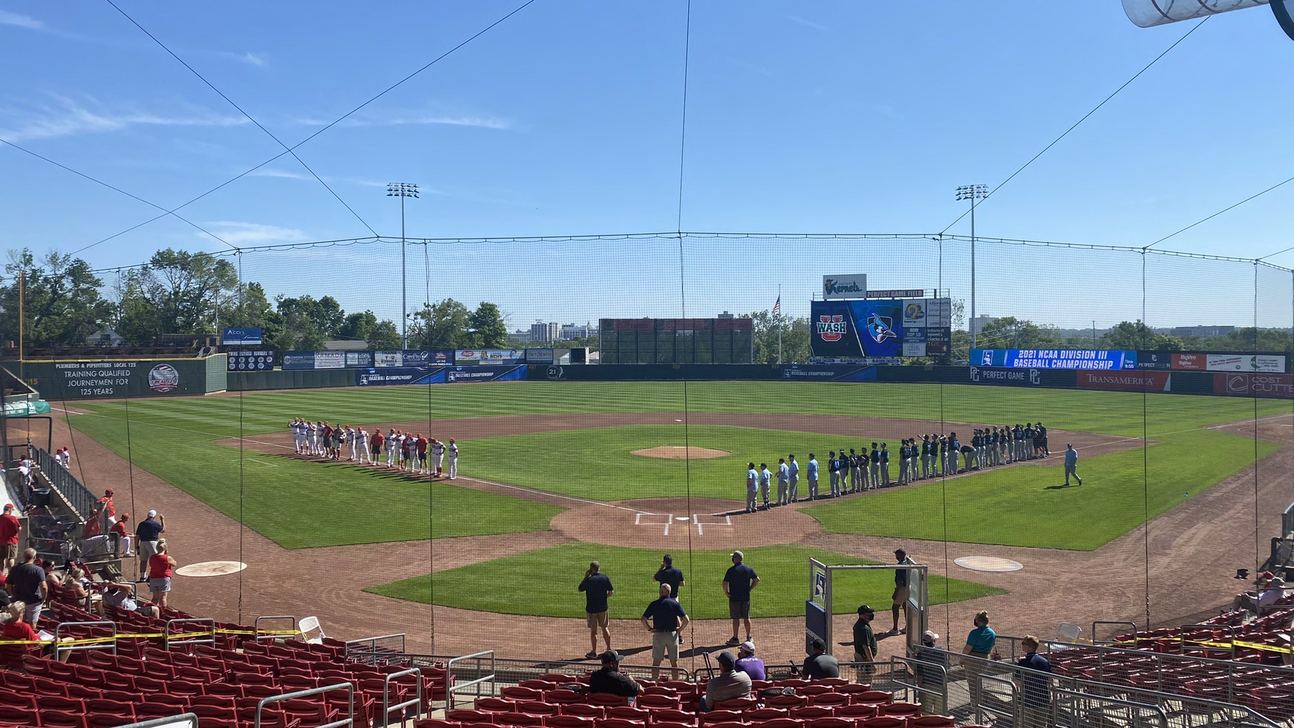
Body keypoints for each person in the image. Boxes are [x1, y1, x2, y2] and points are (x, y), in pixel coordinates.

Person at [641, 582, 689, 677]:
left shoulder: (654, 604)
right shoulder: (675, 603)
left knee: (656, 663)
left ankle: (654, 683)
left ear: (661, 592)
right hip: (672, 635)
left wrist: (650, 629)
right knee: (674, 664)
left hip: (659, 635)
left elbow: (643, 619)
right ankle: (676, 684)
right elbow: (686, 619)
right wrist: (679, 630)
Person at [1014, 635, 1052, 728]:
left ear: (1029, 647)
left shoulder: (1023, 662)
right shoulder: (1044, 661)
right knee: (1042, 725)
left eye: (1023, 643)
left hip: (1028, 699)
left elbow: (1017, 683)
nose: (1022, 645)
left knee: (1026, 725)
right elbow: (1050, 679)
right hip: (1043, 698)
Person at [722, 550, 759, 646]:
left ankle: (735, 638)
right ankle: (748, 637)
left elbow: (725, 583)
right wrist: (750, 588)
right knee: (746, 617)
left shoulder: (731, 570)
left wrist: (726, 593)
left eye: (734, 557)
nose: (732, 559)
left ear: (737, 559)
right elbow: (756, 579)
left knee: (735, 618)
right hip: (745, 597)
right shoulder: (748, 569)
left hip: (734, 598)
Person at [579, 561, 614, 659]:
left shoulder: (589, 580)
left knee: (593, 631)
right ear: (599, 568)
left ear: (591, 569)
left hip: (591, 609)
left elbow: (580, 588)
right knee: (605, 628)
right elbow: (611, 592)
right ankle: (609, 649)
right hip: (603, 608)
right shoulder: (605, 578)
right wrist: (604, 597)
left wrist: (586, 576)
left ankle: (594, 652)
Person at [962, 610, 997, 704]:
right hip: (985, 659)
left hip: (973, 660)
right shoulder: (992, 633)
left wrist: (962, 659)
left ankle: (975, 704)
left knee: (973, 683)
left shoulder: (974, 633)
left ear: (979, 621)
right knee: (979, 681)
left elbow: (967, 648)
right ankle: (980, 701)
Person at [911, 629, 948, 714]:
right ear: (934, 641)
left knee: (926, 713)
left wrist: (919, 688)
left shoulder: (921, 655)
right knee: (940, 713)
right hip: (940, 685)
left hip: (926, 686)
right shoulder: (942, 653)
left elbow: (920, 674)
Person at [6, 548, 46, 624]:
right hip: (34, 601)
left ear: (24, 557)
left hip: (19, 600)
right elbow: (43, 587)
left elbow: (8, 585)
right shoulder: (38, 570)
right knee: (32, 623)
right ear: (34, 557)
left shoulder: (15, 569)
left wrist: (13, 595)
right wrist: (43, 599)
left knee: (19, 621)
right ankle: (30, 635)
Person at [135, 510, 165, 581]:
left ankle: (142, 577)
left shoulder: (141, 524)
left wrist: (137, 546)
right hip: (152, 543)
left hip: (142, 543)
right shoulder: (154, 524)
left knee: (143, 560)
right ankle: (150, 576)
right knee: (154, 560)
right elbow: (163, 530)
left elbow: (137, 536)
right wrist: (162, 520)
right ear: (154, 517)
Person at [891, 548, 915, 634]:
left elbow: (900, 582)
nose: (896, 557)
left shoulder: (900, 566)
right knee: (905, 606)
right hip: (908, 587)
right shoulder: (907, 563)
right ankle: (907, 627)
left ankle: (895, 629)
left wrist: (895, 592)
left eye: (897, 555)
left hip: (902, 588)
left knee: (895, 607)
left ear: (901, 555)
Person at [850, 605, 878, 677]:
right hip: (865, 658)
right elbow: (866, 647)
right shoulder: (863, 628)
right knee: (865, 681)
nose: (871, 615)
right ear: (861, 615)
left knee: (862, 679)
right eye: (868, 614)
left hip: (862, 656)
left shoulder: (860, 624)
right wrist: (872, 663)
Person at [147, 540, 177, 609]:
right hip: (163, 578)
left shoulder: (152, 557)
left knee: (155, 598)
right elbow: (174, 564)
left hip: (153, 578)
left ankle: (151, 610)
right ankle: (163, 612)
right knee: (163, 597)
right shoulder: (167, 558)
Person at [1, 503, 20, 570]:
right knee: (11, 558)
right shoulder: (12, 518)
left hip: (1, 541)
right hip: (11, 541)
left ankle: (1, 575)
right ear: (10, 510)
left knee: (1, 559)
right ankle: (10, 575)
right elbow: (18, 528)